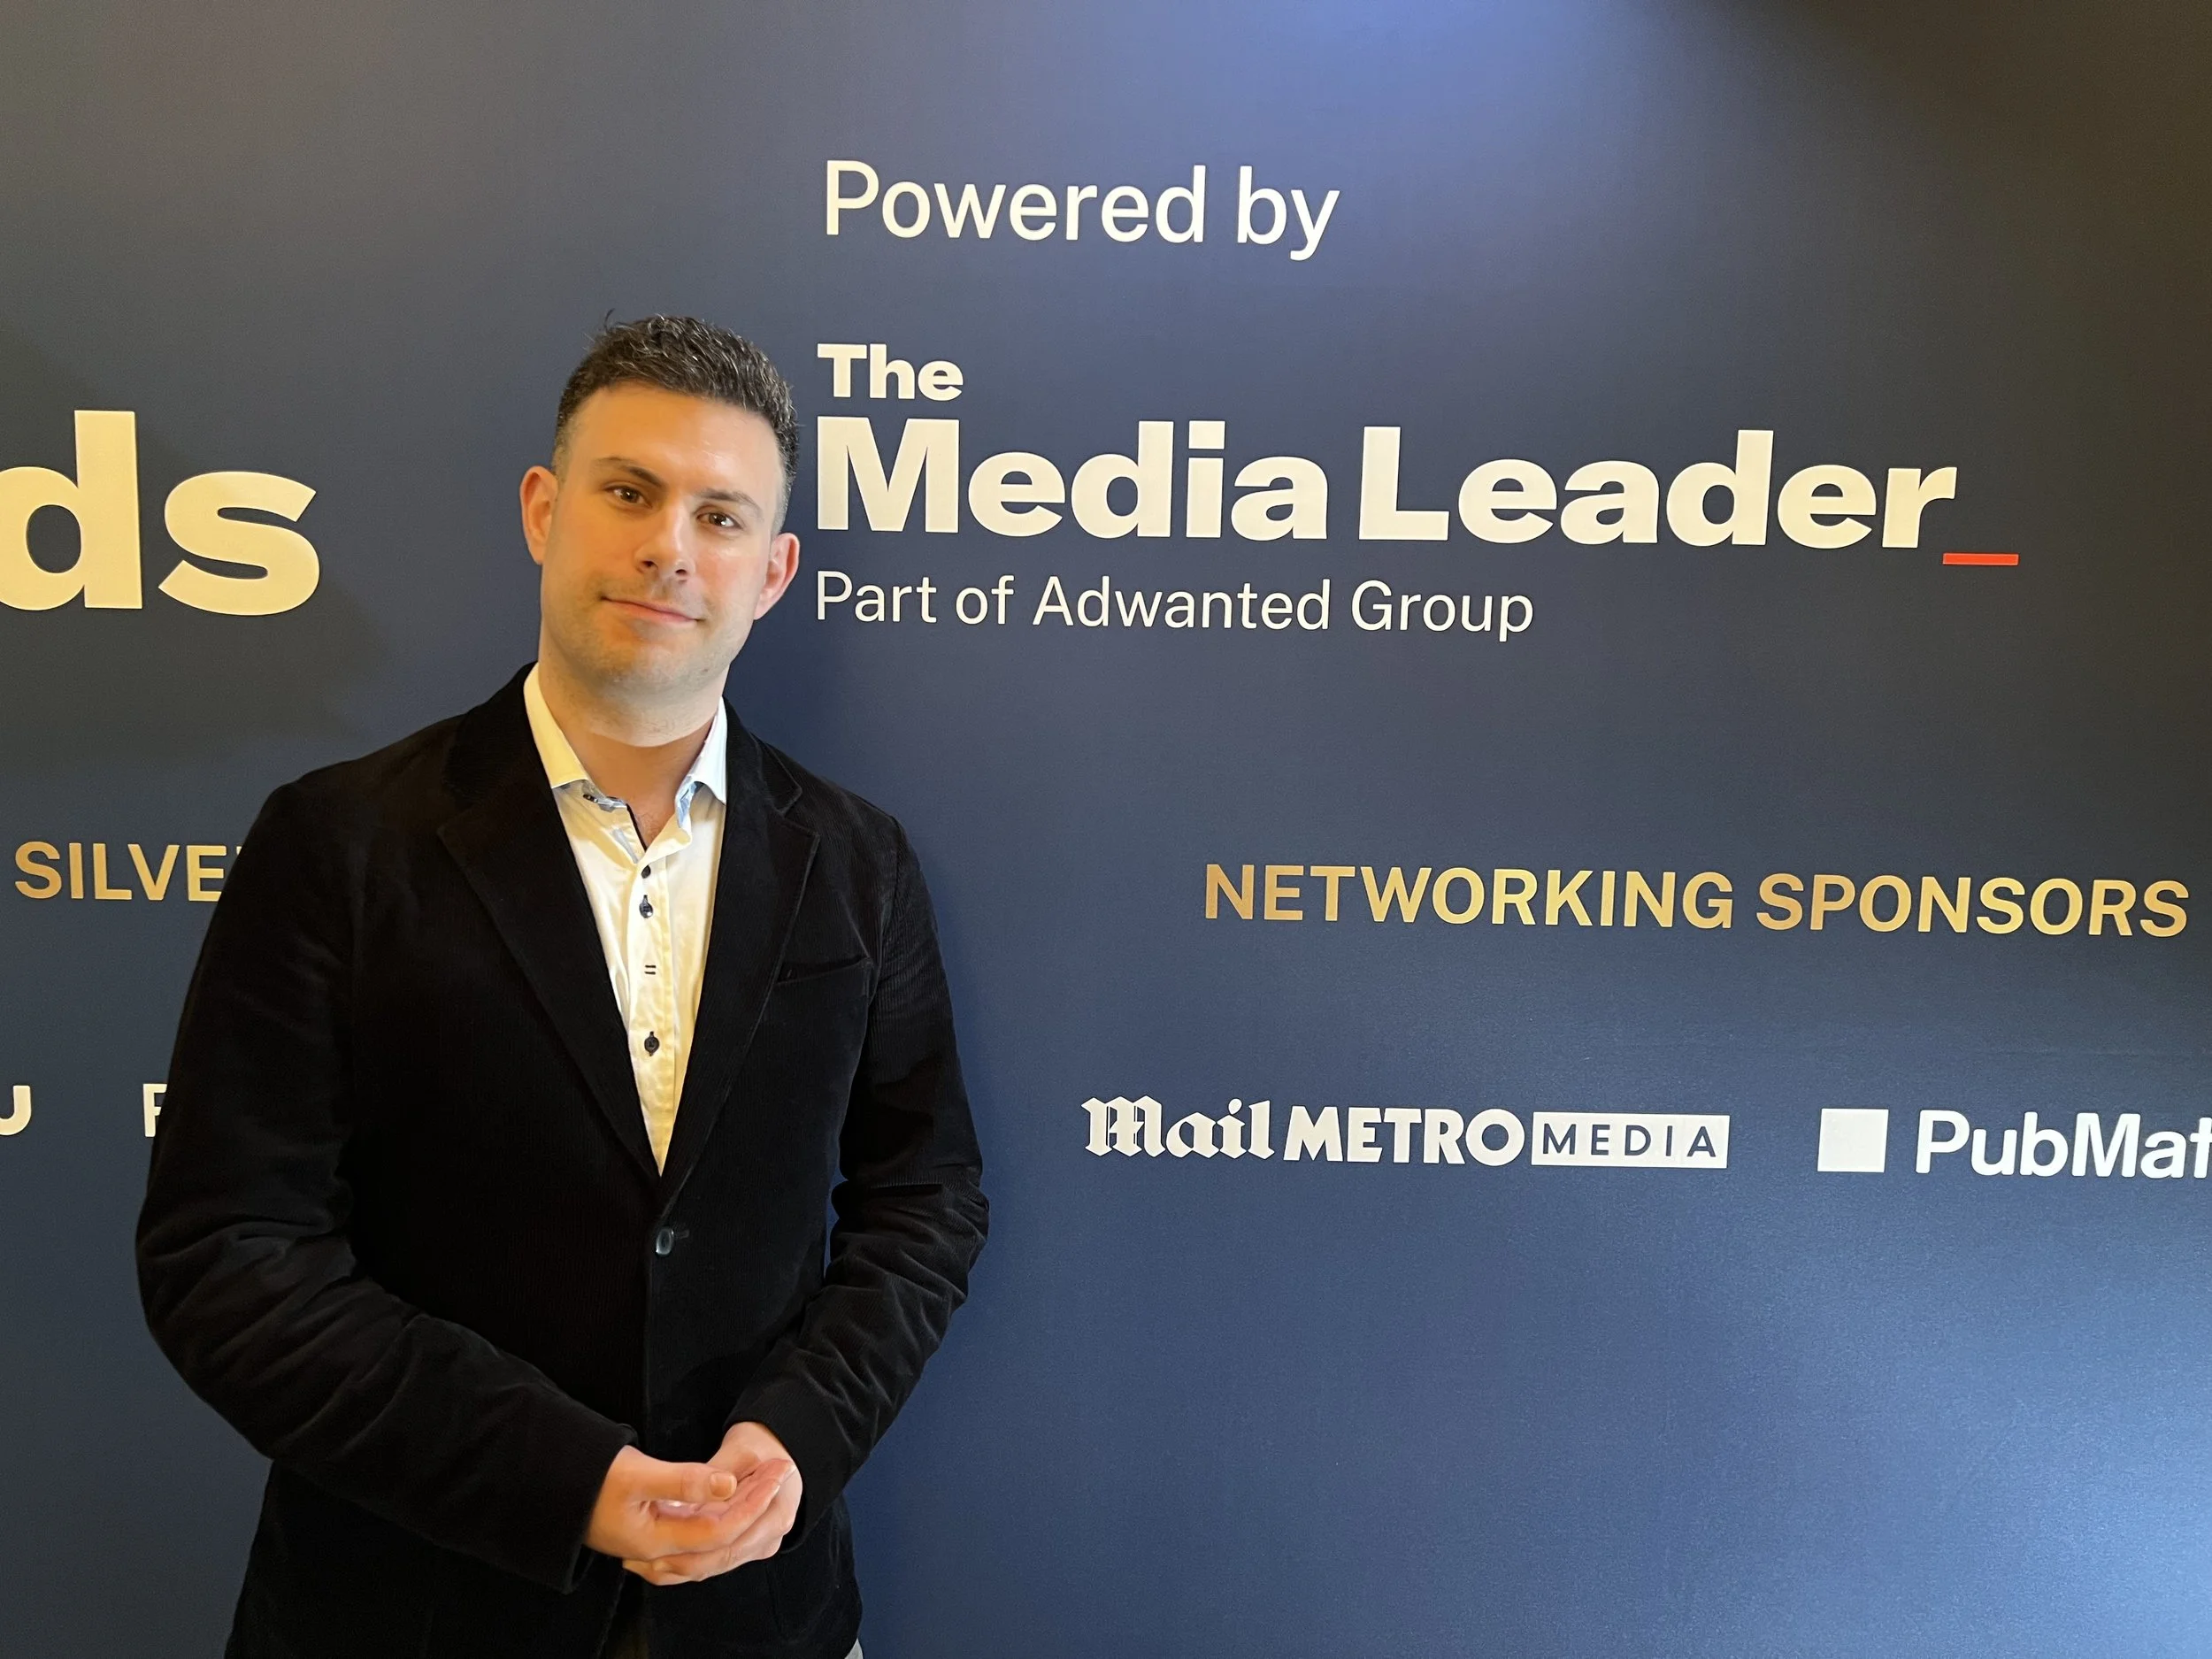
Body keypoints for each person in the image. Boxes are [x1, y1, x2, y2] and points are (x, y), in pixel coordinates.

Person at [135, 316, 987, 1659]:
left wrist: (797, 1436)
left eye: (720, 515)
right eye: (630, 492)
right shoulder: (337, 841)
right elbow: (229, 1257)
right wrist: (570, 1480)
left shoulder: (860, 862)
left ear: (772, 574)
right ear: (545, 510)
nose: (669, 546)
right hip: (403, 1609)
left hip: (759, 1616)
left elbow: (923, 1200)